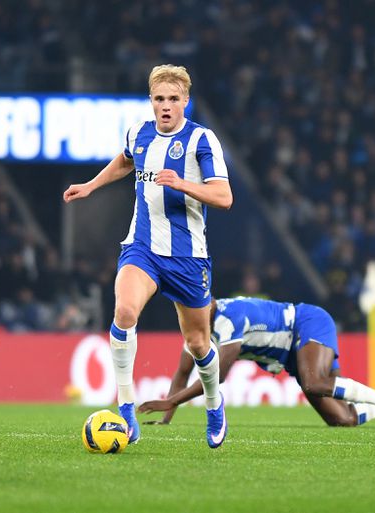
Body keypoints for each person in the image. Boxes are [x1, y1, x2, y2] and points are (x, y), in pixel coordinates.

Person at [63, 64, 233, 448]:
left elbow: (224, 197)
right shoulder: (139, 133)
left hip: (189, 256)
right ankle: (126, 407)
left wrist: (183, 183)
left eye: (174, 99)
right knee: (124, 312)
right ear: (151, 101)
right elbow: (125, 161)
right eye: (159, 99)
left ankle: (213, 402)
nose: (166, 106)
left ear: (186, 102)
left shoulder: (202, 141)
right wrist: (91, 186)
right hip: (141, 248)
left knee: (198, 343)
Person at [137, 297, 375, 429]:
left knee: (314, 381)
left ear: (209, 303)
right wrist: (167, 415)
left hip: (306, 323)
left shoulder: (228, 319)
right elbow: (183, 371)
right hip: (290, 354)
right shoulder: (195, 332)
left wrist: (170, 400)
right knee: (343, 419)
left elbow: (218, 376)